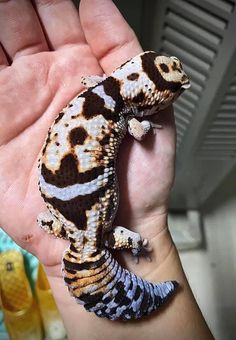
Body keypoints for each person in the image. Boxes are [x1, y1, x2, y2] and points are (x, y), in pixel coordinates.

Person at [0, 0, 213, 338]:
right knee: (108, 234)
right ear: (149, 101)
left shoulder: (100, 86)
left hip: (64, 198)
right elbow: (140, 130)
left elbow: (107, 92)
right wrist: (141, 247)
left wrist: (135, 242)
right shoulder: (127, 114)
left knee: (118, 236)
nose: (179, 72)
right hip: (64, 212)